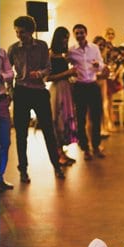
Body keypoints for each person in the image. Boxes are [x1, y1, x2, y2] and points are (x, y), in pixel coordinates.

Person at [7, 15, 65, 183]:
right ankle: (23, 170)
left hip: (39, 92)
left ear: (31, 32)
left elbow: (48, 67)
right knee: (21, 134)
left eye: (22, 32)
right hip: (21, 92)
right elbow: (8, 71)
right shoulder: (13, 49)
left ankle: (57, 166)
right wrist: (10, 91)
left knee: (48, 131)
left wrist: (39, 74)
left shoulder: (41, 46)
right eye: (17, 32)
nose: (19, 35)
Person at [66, 24, 106, 160]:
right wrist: (71, 77)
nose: (79, 35)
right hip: (80, 87)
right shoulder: (71, 51)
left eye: (81, 33)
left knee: (96, 117)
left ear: (86, 33)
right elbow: (66, 66)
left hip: (93, 85)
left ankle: (96, 146)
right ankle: (85, 148)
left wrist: (98, 66)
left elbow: (101, 65)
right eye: (77, 33)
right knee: (80, 119)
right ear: (74, 35)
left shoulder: (94, 48)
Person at [46, 26, 77, 166]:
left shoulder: (64, 55)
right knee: (57, 120)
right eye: (64, 37)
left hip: (66, 88)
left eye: (67, 37)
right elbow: (47, 78)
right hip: (57, 89)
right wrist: (67, 73)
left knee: (65, 119)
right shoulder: (50, 54)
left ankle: (63, 151)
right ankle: (58, 152)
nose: (65, 40)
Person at [0, 47, 13, 192]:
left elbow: (10, 73)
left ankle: (0, 177)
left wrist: (1, 76)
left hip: (2, 100)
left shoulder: (1, 52)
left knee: (5, 142)